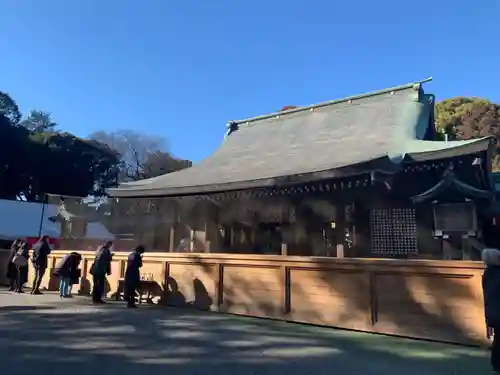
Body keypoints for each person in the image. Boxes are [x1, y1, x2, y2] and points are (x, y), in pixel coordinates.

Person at [482, 248, 500, 374]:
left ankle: (496, 365)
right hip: (497, 310)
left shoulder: (487, 274)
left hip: (492, 311)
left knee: (498, 339)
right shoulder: (497, 274)